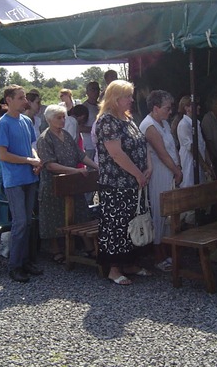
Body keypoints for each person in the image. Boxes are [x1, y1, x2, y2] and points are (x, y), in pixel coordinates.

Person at [95, 80, 153, 285]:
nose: (131, 100)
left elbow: (142, 144)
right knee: (116, 225)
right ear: (115, 98)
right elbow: (116, 154)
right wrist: (138, 174)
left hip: (134, 183)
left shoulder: (128, 119)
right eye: (127, 96)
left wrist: (148, 166)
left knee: (132, 223)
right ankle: (114, 269)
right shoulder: (107, 121)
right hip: (116, 184)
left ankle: (130, 263)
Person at [37, 104, 98, 262]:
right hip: (53, 184)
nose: (63, 120)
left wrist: (97, 166)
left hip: (71, 183)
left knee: (81, 213)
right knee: (53, 218)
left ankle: (89, 247)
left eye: (64, 117)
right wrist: (75, 171)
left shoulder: (66, 135)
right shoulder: (44, 139)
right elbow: (50, 165)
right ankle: (56, 251)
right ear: (50, 119)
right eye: (59, 118)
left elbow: (80, 155)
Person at [0, 85, 43, 283]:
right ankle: (14, 266)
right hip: (14, 180)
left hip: (29, 177)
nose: (26, 101)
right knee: (20, 222)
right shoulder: (3, 124)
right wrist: (29, 161)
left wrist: (36, 159)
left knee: (28, 222)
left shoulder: (26, 121)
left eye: (25, 98)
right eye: (21, 98)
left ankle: (25, 261)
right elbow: (3, 155)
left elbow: (31, 146)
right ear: (9, 100)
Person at [139, 90, 182, 272]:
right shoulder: (149, 126)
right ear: (155, 108)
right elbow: (162, 153)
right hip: (158, 173)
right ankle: (158, 255)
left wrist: (177, 166)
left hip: (169, 171)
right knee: (159, 211)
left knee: (168, 213)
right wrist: (176, 171)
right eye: (167, 108)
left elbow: (172, 148)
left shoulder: (163, 123)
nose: (170, 111)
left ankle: (166, 249)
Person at [177, 96, 214, 188]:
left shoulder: (197, 123)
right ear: (187, 108)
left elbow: (203, 145)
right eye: (195, 105)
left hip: (200, 165)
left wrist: (209, 164)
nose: (199, 107)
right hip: (189, 165)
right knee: (190, 187)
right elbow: (192, 147)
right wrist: (205, 166)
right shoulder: (183, 124)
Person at [81, 82, 101, 161]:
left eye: (97, 89)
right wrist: (97, 129)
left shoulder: (101, 106)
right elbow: (80, 128)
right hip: (90, 146)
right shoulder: (84, 107)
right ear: (87, 92)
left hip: (102, 144)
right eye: (93, 89)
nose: (96, 92)